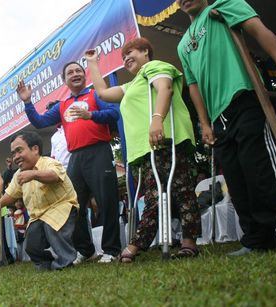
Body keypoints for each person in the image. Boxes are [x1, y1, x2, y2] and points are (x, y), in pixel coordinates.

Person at [176, 0, 276, 253]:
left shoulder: (223, 5)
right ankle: (257, 240)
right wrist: (204, 122)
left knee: (260, 171)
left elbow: (259, 30)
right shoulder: (183, 45)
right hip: (218, 118)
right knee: (236, 180)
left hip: (245, 98)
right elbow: (193, 85)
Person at [85, 37, 201, 262]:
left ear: (146, 52)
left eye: (132, 52)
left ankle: (163, 243)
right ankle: (153, 242)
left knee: (177, 191)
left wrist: (157, 119)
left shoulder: (153, 67)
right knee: (159, 194)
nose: (127, 58)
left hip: (166, 139)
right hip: (147, 148)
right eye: (124, 56)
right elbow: (103, 93)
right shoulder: (131, 85)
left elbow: (164, 87)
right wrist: (93, 63)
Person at [17, 62, 121, 264]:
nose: (75, 74)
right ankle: (86, 250)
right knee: (73, 206)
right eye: (70, 72)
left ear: (85, 75)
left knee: (106, 201)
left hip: (98, 151)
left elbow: (114, 113)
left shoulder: (95, 95)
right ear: (64, 80)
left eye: (78, 71)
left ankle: (111, 250)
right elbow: (39, 122)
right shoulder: (62, 105)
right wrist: (28, 102)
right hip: (75, 158)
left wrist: (91, 115)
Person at [0, 131, 79, 270]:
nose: (16, 157)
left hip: (62, 207)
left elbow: (54, 176)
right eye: (13, 154)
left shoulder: (49, 162)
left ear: (35, 149)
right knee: (31, 244)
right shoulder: (18, 174)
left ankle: (65, 263)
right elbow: (11, 194)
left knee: (53, 227)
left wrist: (34, 174)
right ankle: (45, 265)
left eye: (19, 151)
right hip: (38, 216)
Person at [47, 100, 71, 169]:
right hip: (61, 173)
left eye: (54, 114)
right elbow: (53, 157)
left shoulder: (71, 127)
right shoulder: (54, 137)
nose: (52, 117)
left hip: (74, 168)